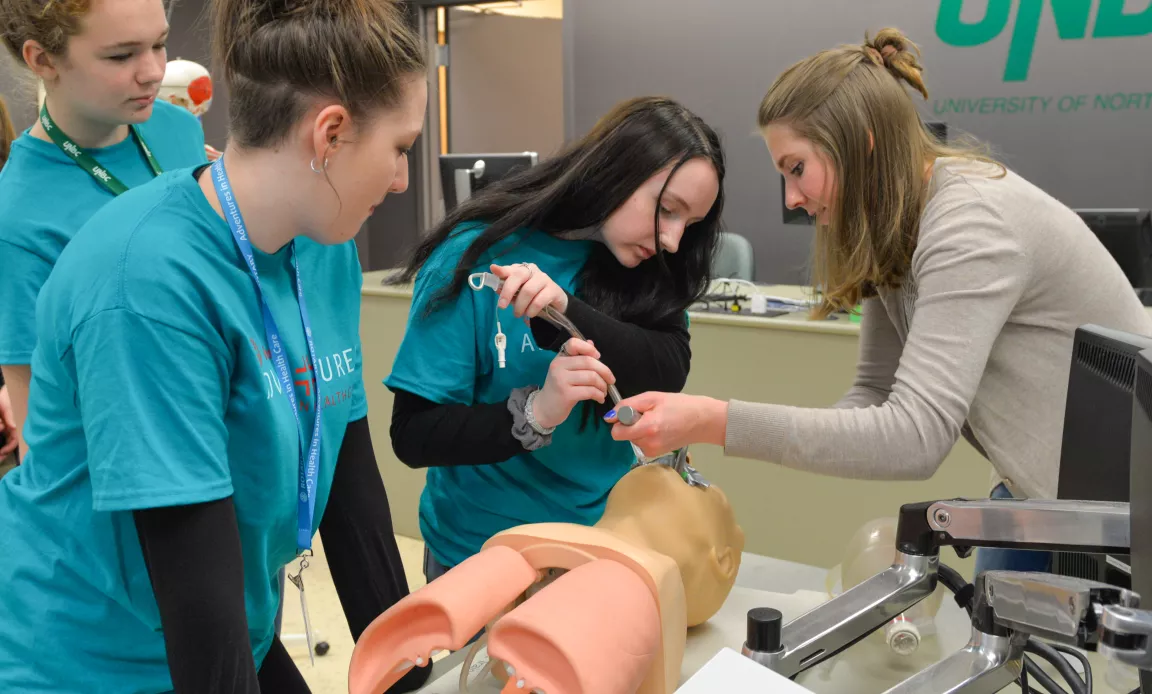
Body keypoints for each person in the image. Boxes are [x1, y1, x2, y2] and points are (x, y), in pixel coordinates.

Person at [608, 29, 1152, 576]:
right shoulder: (897, 226)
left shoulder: (970, 224)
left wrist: (713, 419)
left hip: (1121, 514)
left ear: (860, 142)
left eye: (797, 168)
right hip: (1044, 496)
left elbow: (916, 438)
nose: (793, 199)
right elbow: (873, 396)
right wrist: (726, 425)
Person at [0, 0, 431, 689]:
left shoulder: (322, 248)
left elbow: (351, 488)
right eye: (400, 147)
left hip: (233, 614)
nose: (403, 178)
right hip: (96, 656)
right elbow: (190, 581)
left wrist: (412, 676)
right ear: (330, 134)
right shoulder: (146, 285)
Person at [386, 96, 726, 582]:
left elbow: (665, 367)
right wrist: (535, 413)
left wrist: (566, 311)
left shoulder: (649, 268)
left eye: (688, 225)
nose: (672, 240)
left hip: (608, 547)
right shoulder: (477, 255)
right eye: (667, 210)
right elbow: (414, 435)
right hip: (486, 559)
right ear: (617, 171)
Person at [0, 0, 208, 458]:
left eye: (159, 44)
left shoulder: (177, 129)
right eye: (121, 55)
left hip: (212, 422)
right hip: (125, 460)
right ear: (43, 59)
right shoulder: (18, 216)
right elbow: (40, 424)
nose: (153, 71)